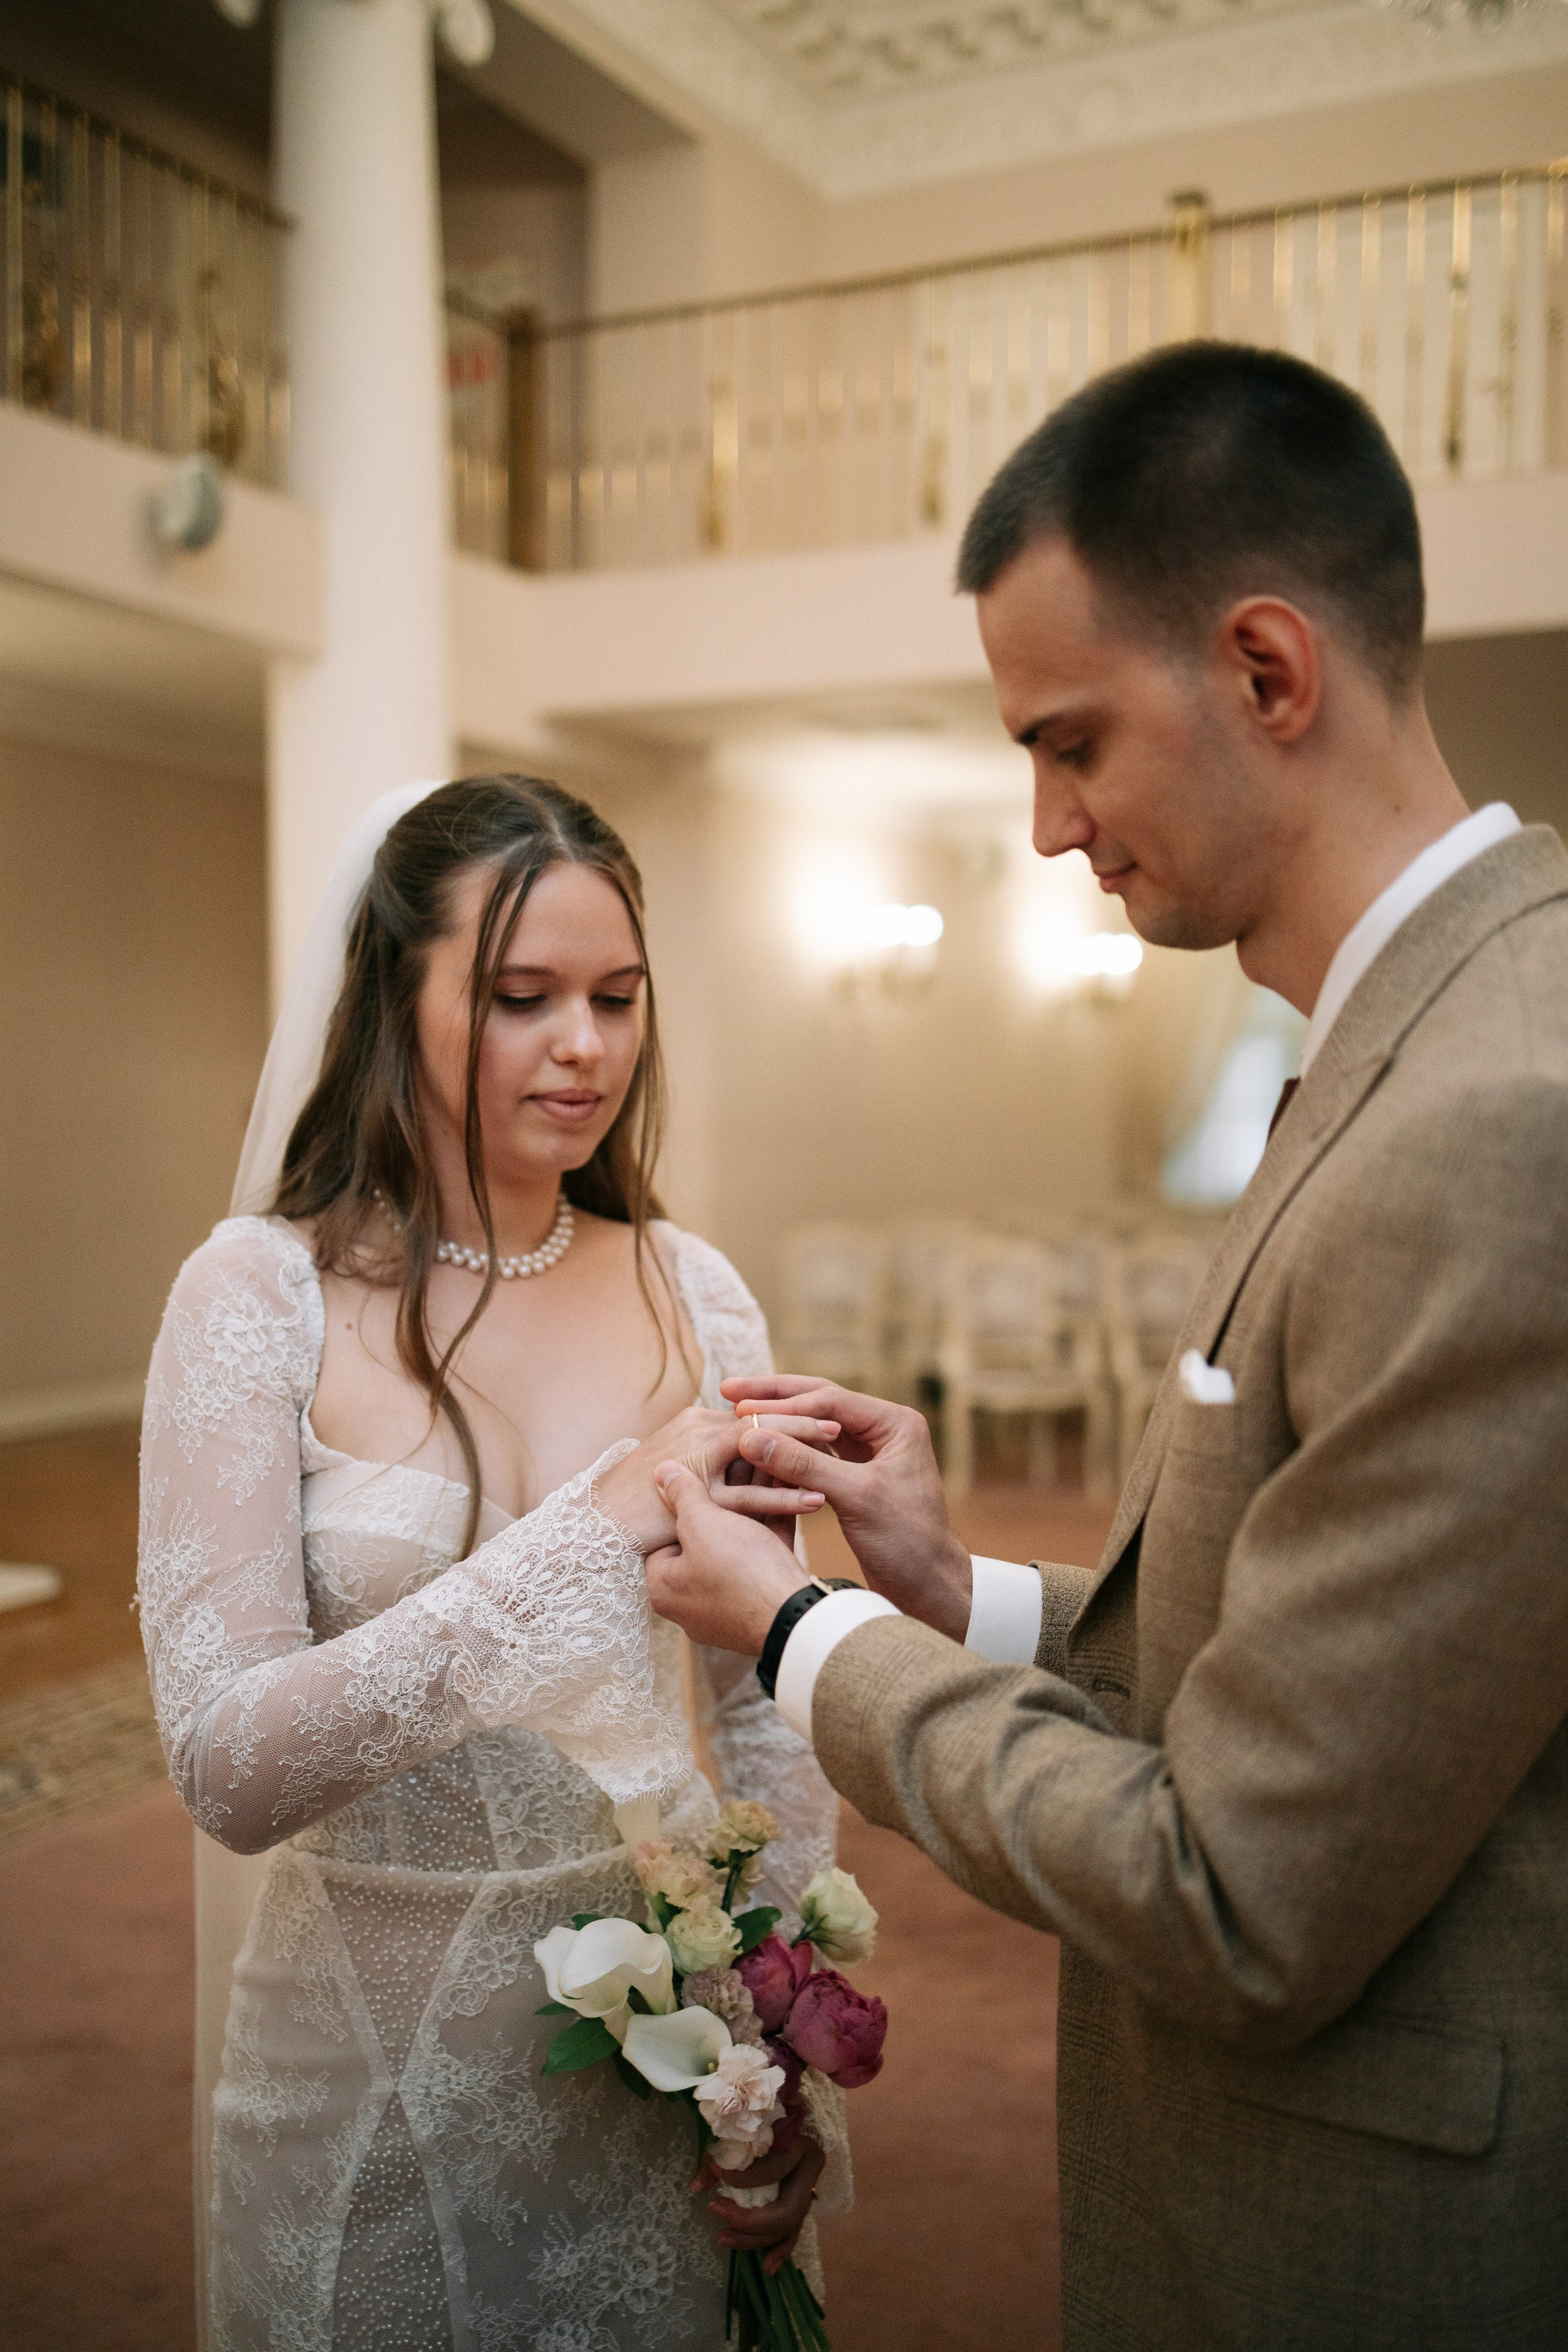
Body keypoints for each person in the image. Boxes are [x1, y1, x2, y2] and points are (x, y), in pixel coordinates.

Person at [644, 344, 1568, 2350]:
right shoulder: (1406, 1033)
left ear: (1264, 671)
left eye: (1070, 742)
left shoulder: (1503, 1111)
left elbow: (1242, 1893)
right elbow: (1320, 1660)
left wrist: (804, 1640)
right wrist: (951, 1585)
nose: (1050, 826)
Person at [137, 775, 851, 2352]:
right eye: (523, 999)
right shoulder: (256, 1299)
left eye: (615, 997)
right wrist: (593, 1530)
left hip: (650, 2056)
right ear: (397, 997)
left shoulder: (697, 1296)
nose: (583, 1047)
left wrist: (768, 2049)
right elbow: (228, 1768)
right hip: (359, 2059)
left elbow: (759, 1718)